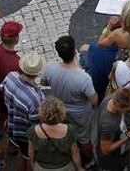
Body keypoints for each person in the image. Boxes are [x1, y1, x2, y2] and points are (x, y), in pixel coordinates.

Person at [43, 35, 98, 165]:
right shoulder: (83, 78)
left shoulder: (50, 67)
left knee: (66, 130)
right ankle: (89, 161)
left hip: (61, 108)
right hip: (80, 112)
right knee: (84, 138)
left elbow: (44, 81)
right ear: (74, 52)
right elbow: (94, 100)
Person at [2, 51, 46, 167]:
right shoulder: (37, 98)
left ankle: (12, 147)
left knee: (21, 151)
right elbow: (36, 123)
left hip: (11, 123)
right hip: (25, 134)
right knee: (28, 158)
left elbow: (2, 88)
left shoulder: (11, 76)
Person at [28, 96, 82, 171]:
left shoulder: (33, 130)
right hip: (65, 167)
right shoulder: (70, 130)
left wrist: (32, 166)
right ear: (61, 112)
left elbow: (31, 153)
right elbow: (75, 153)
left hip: (42, 168)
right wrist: (79, 168)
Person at [96, 88, 130, 171]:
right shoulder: (109, 124)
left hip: (120, 152)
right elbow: (105, 150)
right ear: (119, 106)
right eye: (129, 110)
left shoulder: (111, 98)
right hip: (112, 161)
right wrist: (129, 136)